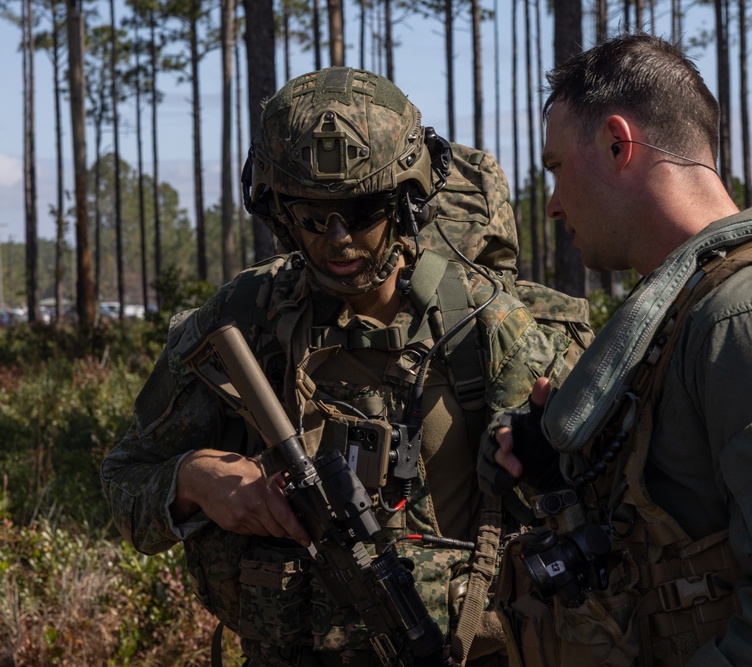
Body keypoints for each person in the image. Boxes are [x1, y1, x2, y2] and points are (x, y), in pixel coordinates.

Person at [102, 66, 589, 667]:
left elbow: (591, 509)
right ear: (279, 210)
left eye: (362, 214)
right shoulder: (243, 319)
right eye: (313, 215)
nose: (338, 240)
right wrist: (195, 478)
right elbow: (124, 479)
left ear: (406, 201)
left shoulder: (486, 324)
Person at [479, 33, 752, 666]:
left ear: (619, 144)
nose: (556, 206)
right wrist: (565, 469)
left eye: (558, 170)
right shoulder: (693, 311)